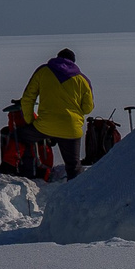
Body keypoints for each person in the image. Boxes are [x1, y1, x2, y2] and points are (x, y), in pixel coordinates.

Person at [17, 49, 95, 180]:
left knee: (21, 136)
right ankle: (76, 192)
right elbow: (88, 108)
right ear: (73, 62)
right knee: (73, 165)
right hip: (71, 129)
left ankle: (29, 174)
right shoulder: (82, 79)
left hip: (44, 126)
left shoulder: (43, 71)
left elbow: (27, 98)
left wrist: (30, 120)